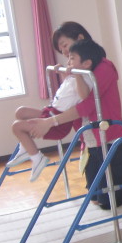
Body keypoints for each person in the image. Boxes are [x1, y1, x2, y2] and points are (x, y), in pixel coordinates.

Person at [27, 21, 122, 209]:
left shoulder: (104, 67)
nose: (64, 52)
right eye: (61, 49)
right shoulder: (77, 70)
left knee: (107, 201)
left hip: (111, 139)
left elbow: (87, 105)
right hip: (91, 141)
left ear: (80, 38)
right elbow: (69, 102)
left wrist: (50, 122)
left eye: (65, 45)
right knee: (95, 197)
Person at [7, 38, 105, 182]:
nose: (68, 61)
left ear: (86, 64)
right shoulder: (74, 76)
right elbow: (68, 91)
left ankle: (37, 158)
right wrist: (63, 74)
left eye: (72, 58)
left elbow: (83, 95)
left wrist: (77, 75)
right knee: (21, 112)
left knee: (17, 127)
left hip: (59, 123)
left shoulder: (87, 79)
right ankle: (25, 147)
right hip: (51, 110)